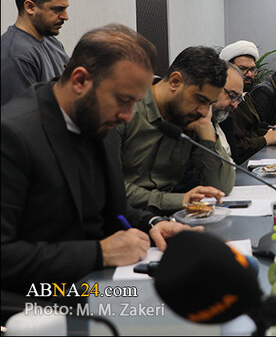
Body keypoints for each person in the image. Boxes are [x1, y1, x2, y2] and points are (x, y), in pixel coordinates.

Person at [1, 24, 195, 294]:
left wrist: (151, 223)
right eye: (123, 100)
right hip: (43, 298)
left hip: (102, 284)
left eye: (135, 102)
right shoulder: (13, 134)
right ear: (80, 80)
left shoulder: (99, 121)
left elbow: (105, 206)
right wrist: (99, 252)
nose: (128, 115)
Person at [117, 46, 235, 214]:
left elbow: (221, 186)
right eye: (200, 99)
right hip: (124, 220)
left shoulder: (193, 119)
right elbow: (110, 188)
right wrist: (179, 200)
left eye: (209, 104)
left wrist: (207, 129)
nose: (203, 111)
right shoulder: (125, 111)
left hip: (171, 218)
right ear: (175, 81)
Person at [1, 0, 73, 106]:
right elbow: (18, 121)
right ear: (30, 7)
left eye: (65, 9)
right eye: (57, 9)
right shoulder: (15, 56)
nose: (65, 17)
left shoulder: (51, 41)